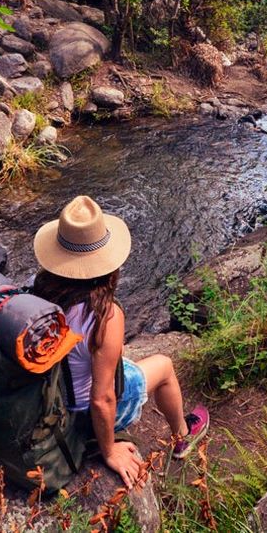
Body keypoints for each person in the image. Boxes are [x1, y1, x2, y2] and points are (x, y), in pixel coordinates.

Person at [31, 195, 209, 488]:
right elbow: (101, 399)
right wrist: (109, 449)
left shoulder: (37, 292)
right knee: (164, 366)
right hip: (80, 417)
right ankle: (183, 436)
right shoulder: (105, 315)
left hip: (49, 404)